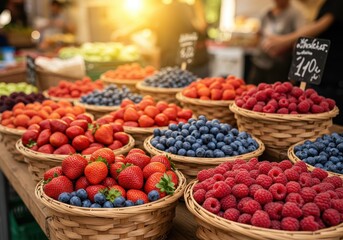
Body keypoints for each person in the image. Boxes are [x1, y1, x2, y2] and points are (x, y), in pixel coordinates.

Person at [262, 0, 343, 125]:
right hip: (322, 76)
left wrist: (283, 41)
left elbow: (318, 26)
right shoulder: (326, 4)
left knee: (329, 123)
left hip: (334, 80)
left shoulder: (337, 4)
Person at [112, 0, 209, 78]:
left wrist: (124, 33)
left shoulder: (165, 10)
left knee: (171, 81)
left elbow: (144, 23)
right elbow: (201, 26)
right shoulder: (187, 8)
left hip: (173, 55)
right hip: (192, 55)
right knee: (186, 82)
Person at [248, 0, 306, 85]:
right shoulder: (266, 12)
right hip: (259, 62)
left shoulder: (295, 14)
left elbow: (301, 39)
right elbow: (259, 33)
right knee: (252, 92)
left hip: (279, 67)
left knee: (275, 94)